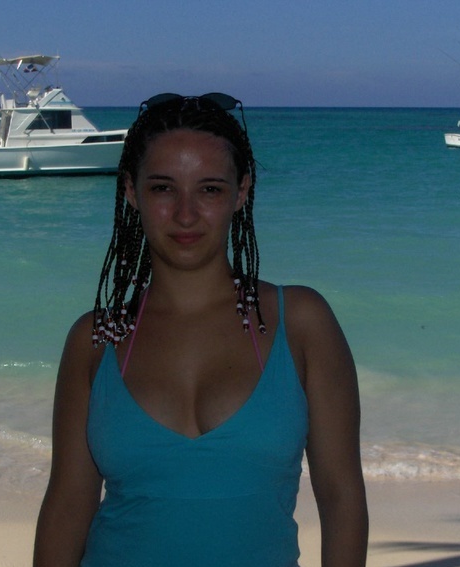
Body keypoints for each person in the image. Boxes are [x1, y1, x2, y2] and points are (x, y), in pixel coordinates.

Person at [33, 93, 367, 567]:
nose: (186, 214)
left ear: (241, 192)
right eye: (163, 188)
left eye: (209, 189)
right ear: (131, 192)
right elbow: (68, 506)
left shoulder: (299, 322)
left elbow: (341, 496)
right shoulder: (99, 338)